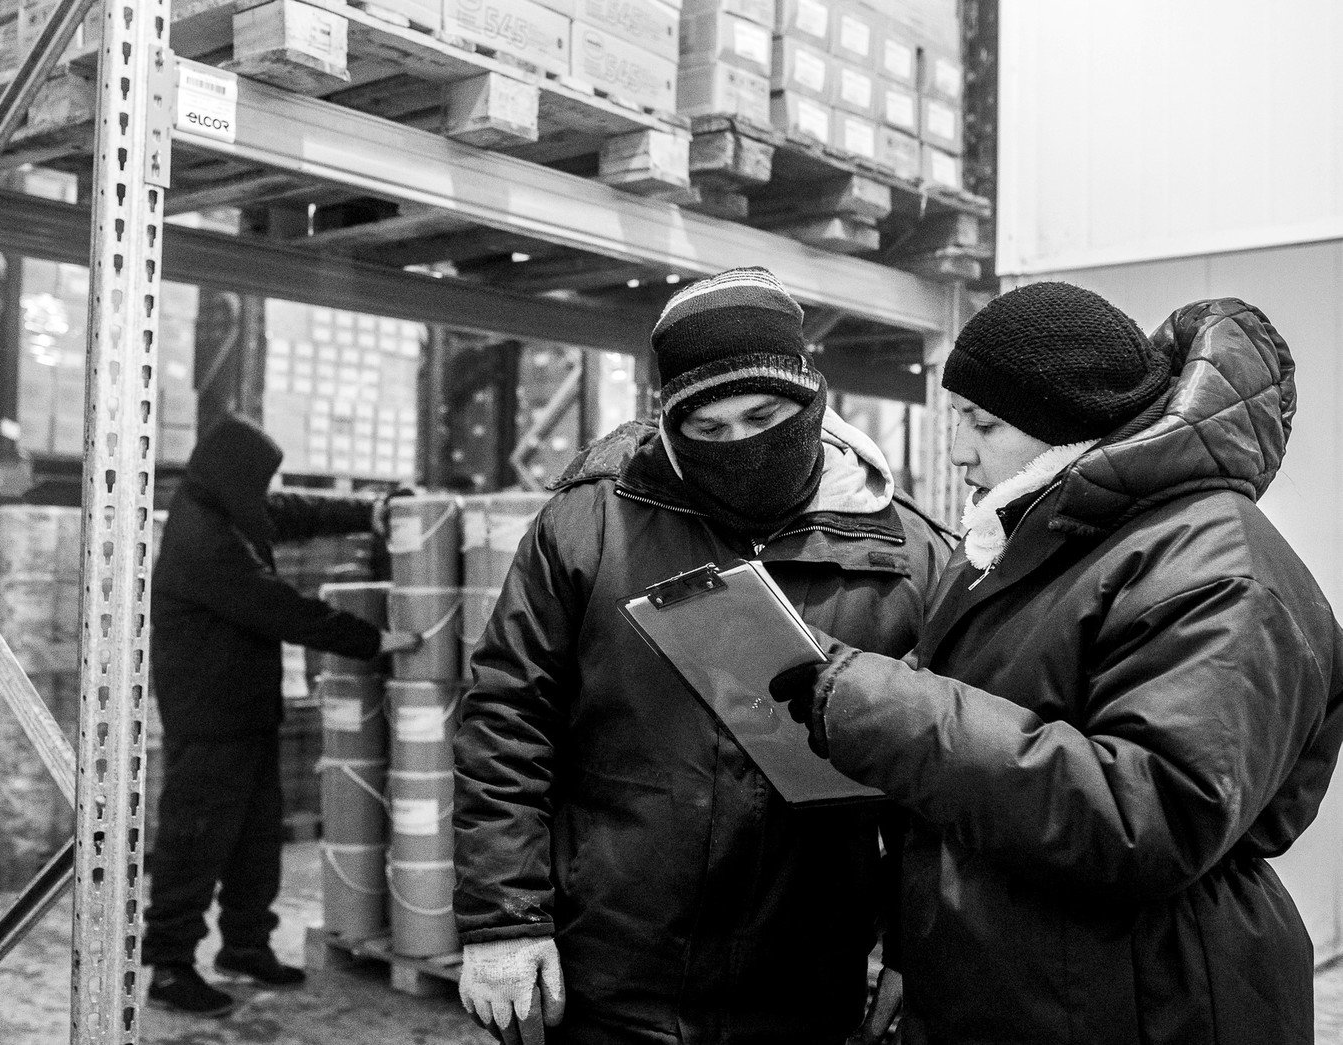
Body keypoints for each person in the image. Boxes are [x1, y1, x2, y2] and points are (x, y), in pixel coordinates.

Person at [770, 285, 1343, 1044]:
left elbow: (1152, 817)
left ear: (1068, 422)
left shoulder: (1219, 568)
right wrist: (913, 946)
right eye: (955, 419)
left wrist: (883, 708)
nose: (959, 450)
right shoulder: (1031, 540)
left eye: (983, 423)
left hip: (1145, 1000)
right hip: (1027, 984)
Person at [453, 267, 953, 1044]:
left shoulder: (905, 557)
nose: (740, 445)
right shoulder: (589, 526)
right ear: (668, 422)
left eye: (762, 415)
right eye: (708, 429)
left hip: (804, 980)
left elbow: (935, 785)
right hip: (611, 970)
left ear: (810, 401)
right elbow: (507, 718)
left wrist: (915, 943)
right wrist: (502, 919)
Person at [142, 413, 420, 1017]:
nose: (265, 493)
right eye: (259, 480)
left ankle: (245, 944)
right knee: (196, 838)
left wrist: (368, 511)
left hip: (246, 706)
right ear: (233, 476)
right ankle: (168, 965)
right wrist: (373, 641)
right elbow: (278, 608)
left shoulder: (227, 507)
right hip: (208, 714)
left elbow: (292, 511)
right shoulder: (203, 540)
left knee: (256, 835)